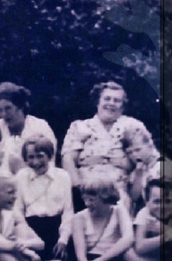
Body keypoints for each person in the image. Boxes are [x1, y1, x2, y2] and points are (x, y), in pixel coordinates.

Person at [46, 178, 151, 261]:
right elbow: (81, 256)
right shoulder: (79, 218)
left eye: (92, 200)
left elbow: (128, 238)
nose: (87, 204)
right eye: (85, 199)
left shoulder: (119, 211)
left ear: (106, 197)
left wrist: (100, 260)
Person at [62, 81, 151, 212]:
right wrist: (78, 188)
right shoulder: (80, 126)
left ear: (122, 106)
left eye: (117, 100)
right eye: (107, 98)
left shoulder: (133, 126)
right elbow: (68, 159)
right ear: (98, 101)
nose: (111, 103)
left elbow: (143, 161)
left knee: (119, 209)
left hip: (118, 188)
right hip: (86, 187)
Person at [11, 135, 74, 261]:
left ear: (50, 156)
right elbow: (17, 209)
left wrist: (63, 240)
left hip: (57, 227)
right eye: (31, 157)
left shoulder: (62, 176)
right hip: (31, 228)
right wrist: (28, 232)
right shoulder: (21, 176)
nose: (35, 162)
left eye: (40, 156)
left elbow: (68, 211)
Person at [0, 82, 56, 163]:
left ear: (20, 106)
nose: (3, 114)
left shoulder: (40, 126)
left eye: (8, 108)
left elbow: (50, 160)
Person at [133, 179, 169, 261]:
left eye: (167, 201)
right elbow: (140, 247)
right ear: (147, 202)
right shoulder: (145, 213)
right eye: (157, 201)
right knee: (129, 253)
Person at [122, 129, 162, 208]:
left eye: (138, 150)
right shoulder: (138, 169)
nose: (134, 155)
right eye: (129, 152)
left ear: (150, 145)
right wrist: (138, 174)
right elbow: (134, 197)